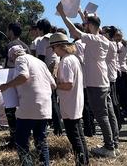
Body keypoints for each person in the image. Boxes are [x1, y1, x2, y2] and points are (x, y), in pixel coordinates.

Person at [56, 2, 119, 158]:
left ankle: (109, 147)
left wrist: (63, 14)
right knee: (109, 114)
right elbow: (90, 27)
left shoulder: (92, 39)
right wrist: (80, 13)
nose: (84, 26)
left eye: (86, 24)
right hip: (104, 80)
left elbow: (73, 30)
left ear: (90, 25)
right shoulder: (104, 40)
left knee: (101, 115)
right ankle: (114, 144)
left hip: (95, 82)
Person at [0, 46, 56, 166]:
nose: (13, 62)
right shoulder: (40, 62)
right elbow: (53, 84)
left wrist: (7, 86)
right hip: (45, 106)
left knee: (21, 140)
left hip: (29, 106)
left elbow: (24, 76)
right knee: (41, 141)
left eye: (11, 59)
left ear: (14, 55)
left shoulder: (21, 59)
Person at [50, 32, 89, 166]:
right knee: (79, 134)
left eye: (53, 48)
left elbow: (67, 84)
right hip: (75, 101)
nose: (53, 51)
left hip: (69, 102)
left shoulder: (66, 61)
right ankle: (85, 161)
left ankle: (81, 162)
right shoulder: (73, 58)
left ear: (59, 46)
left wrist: (54, 85)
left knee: (74, 136)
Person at [2, 22, 27, 146]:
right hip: (25, 82)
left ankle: (14, 139)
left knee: (10, 111)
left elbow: (6, 65)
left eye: (7, 30)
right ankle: (24, 136)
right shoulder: (26, 46)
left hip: (10, 80)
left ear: (11, 31)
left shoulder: (10, 45)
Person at [103, 26, 123, 128]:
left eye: (104, 33)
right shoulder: (112, 43)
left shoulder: (109, 44)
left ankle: (117, 123)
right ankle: (117, 122)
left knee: (113, 102)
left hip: (109, 76)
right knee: (114, 100)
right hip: (111, 75)